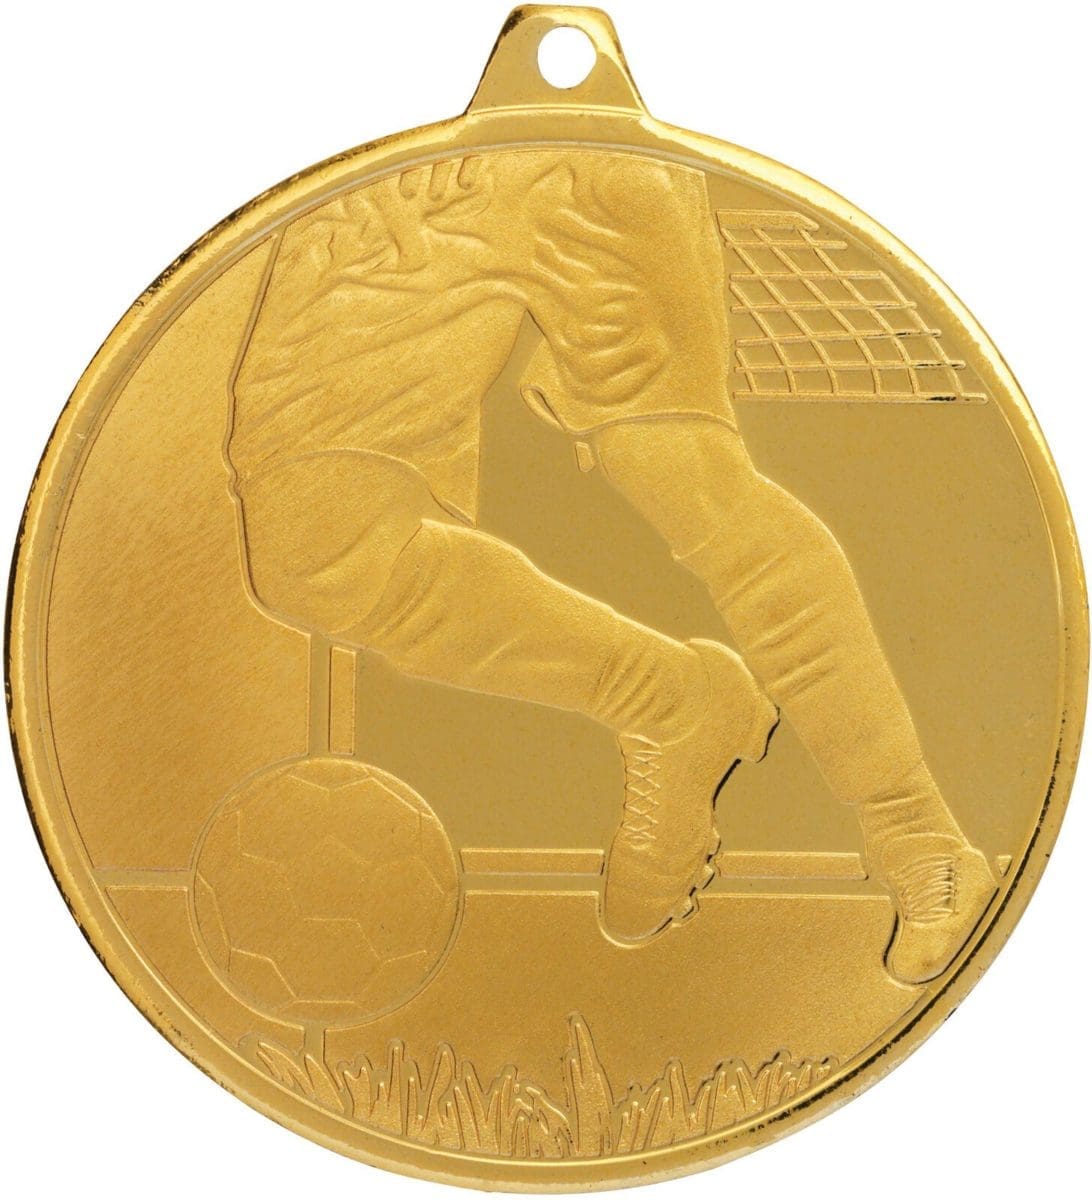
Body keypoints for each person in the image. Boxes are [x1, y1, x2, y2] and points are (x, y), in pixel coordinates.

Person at [228, 149, 995, 983]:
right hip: (396, 180)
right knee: (316, 553)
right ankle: (673, 704)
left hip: (583, 164)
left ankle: (919, 837)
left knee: (683, 473)